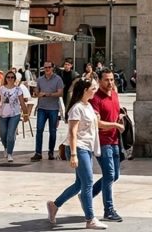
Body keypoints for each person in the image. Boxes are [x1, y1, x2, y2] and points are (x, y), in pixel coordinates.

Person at [46, 77, 108, 230]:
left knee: (79, 184)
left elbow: (94, 125)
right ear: (85, 90)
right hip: (78, 148)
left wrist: (113, 124)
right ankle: (90, 219)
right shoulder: (76, 108)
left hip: (86, 148)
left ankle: (54, 205)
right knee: (88, 183)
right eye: (93, 88)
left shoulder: (88, 106)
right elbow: (72, 133)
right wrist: (73, 154)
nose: (95, 91)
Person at [90, 69, 125, 223]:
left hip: (115, 140)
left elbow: (115, 113)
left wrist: (120, 117)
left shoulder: (115, 95)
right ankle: (108, 210)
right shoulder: (95, 98)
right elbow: (97, 123)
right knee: (109, 174)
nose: (110, 82)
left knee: (114, 175)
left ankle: (87, 195)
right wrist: (115, 125)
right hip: (103, 141)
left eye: (111, 79)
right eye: (106, 80)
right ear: (99, 81)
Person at [33, 61, 65, 161]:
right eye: (45, 67)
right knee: (39, 130)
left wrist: (48, 94)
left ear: (52, 68)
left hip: (53, 109)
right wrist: (36, 93)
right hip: (41, 108)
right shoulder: (40, 79)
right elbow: (36, 93)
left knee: (52, 131)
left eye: (49, 67)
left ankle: (51, 152)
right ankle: (38, 153)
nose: (47, 69)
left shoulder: (58, 79)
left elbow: (60, 93)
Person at [0, 71, 24, 162]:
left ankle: (10, 153)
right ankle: (6, 147)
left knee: (10, 134)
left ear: (14, 79)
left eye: (12, 77)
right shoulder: (1, 89)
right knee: (3, 134)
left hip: (14, 114)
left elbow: (22, 102)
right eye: (8, 77)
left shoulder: (18, 89)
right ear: (5, 78)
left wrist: (26, 113)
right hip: (2, 114)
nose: (10, 79)